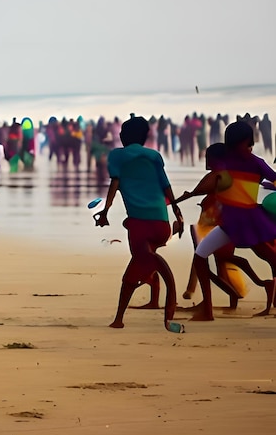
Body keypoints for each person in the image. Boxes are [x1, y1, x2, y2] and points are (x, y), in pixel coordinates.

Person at [93, 115, 184, 331]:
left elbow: (115, 183)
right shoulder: (154, 156)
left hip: (140, 225)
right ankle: (154, 300)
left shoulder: (117, 156)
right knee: (147, 257)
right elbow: (165, 185)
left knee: (137, 267)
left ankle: (119, 319)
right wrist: (177, 210)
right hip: (162, 224)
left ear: (123, 136)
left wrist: (105, 211)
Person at [187, 120, 276, 320]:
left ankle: (207, 310)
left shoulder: (228, 161)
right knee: (201, 255)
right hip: (239, 222)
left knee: (201, 255)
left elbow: (212, 178)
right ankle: (207, 310)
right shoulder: (255, 162)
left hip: (243, 221)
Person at [177, 143, 270, 308]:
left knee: (208, 258)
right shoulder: (229, 174)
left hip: (219, 224)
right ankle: (232, 297)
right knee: (218, 263)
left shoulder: (218, 174)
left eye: (208, 158)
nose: (206, 161)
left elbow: (197, 191)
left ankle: (214, 301)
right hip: (220, 223)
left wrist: (173, 201)